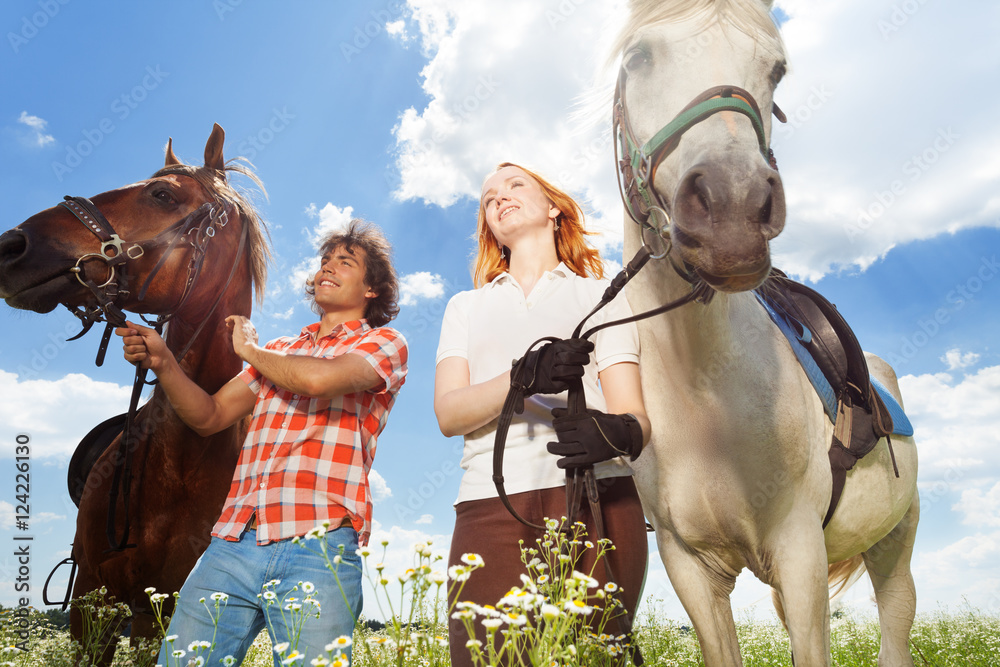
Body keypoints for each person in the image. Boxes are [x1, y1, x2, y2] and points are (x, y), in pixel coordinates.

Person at [116, 220, 408, 666]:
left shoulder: (384, 342)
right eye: (325, 260)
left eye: (344, 262)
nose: (327, 268)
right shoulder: (281, 348)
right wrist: (164, 363)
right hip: (233, 541)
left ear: (372, 289)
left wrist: (249, 351)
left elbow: (316, 379)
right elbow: (209, 416)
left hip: (320, 545)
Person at [434, 162, 650, 665]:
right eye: (489, 198)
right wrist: (520, 378)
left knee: (595, 659)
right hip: (489, 503)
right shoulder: (464, 307)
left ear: (553, 208)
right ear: (489, 225)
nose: (499, 198)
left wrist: (617, 434)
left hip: (598, 499)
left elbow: (634, 415)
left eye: (515, 185)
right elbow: (448, 414)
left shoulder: (604, 296)